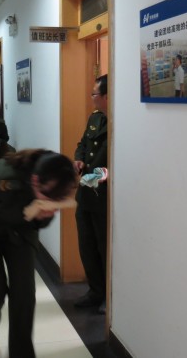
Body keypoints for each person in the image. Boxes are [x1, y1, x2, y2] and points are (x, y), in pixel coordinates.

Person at [0, 149, 77, 358]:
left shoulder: (53, 179)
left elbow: (40, 219)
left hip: (22, 234)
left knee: (24, 295)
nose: (52, 202)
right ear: (35, 180)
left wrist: (43, 216)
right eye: (48, 197)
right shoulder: (2, 177)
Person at [74, 74, 108, 314]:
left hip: (104, 197)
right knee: (87, 247)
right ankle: (95, 292)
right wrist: (78, 159)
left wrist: (87, 179)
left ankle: (109, 297)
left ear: (107, 96)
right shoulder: (94, 118)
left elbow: (109, 164)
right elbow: (83, 144)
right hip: (86, 195)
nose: (92, 98)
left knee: (104, 248)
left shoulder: (118, 122)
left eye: (94, 93)